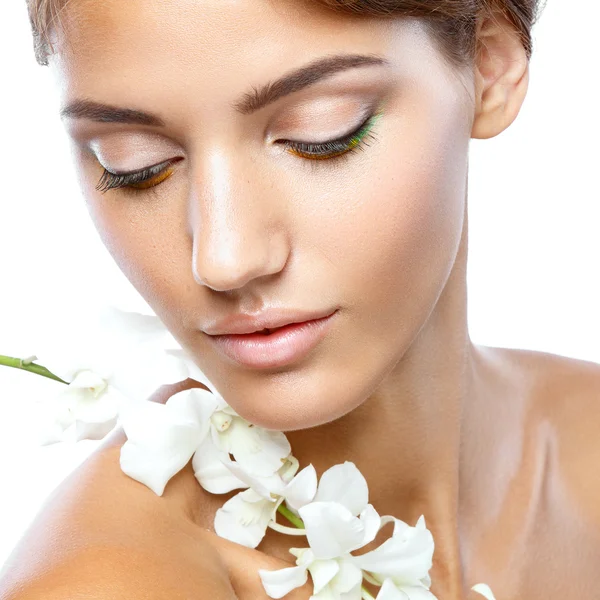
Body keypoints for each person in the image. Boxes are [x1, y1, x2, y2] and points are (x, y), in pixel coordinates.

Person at [2, 0, 599, 598]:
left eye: (320, 131)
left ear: (487, 64)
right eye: (135, 164)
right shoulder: (104, 580)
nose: (224, 258)